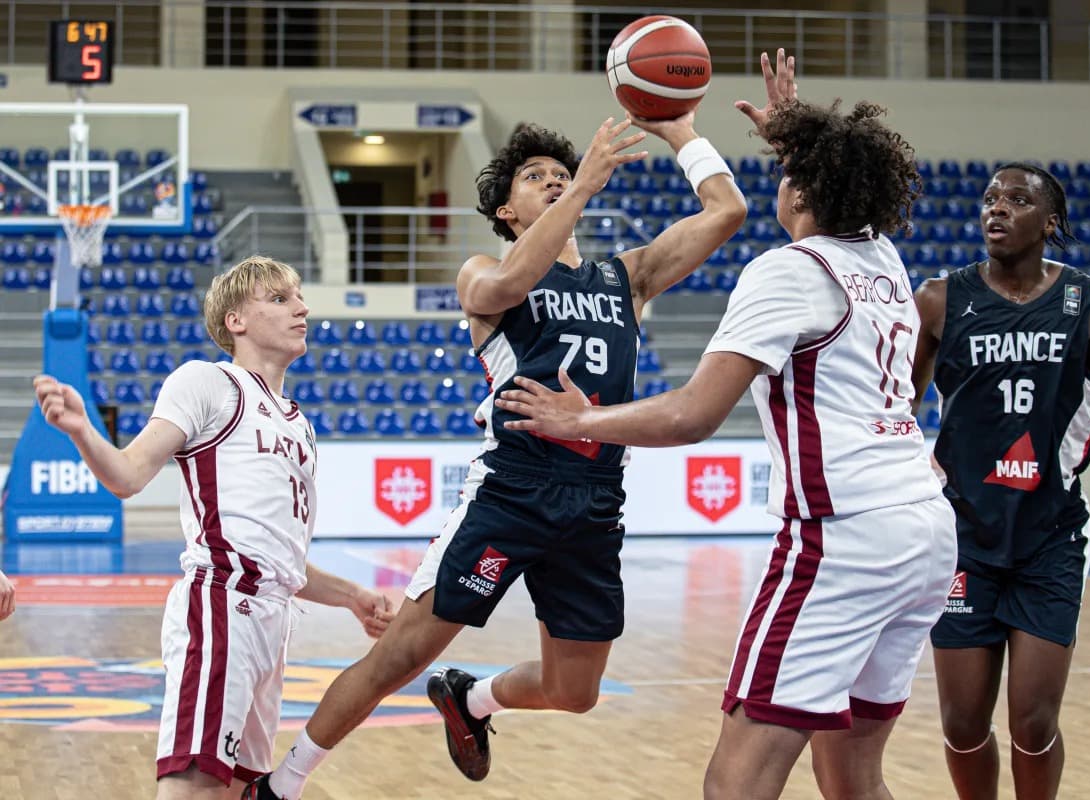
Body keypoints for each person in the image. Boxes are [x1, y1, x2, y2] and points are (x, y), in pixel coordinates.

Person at [494, 49, 957, 800]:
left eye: (789, 172)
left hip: (845, 536)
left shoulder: (787, 272)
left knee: (734, 782)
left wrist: (582, 418)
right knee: (852, 772)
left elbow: (690, 416)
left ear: (801, 187)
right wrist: (790, 141)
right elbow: (834, 193)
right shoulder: (885, 258)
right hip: (927, 533)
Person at [243, 113, 745, 800]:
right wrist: (585, 185)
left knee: (575, 692)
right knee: (402, 654)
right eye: (536, 178)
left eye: (562, 175)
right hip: (512, 491)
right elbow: (505, 289)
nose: (555, 182)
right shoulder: (483, 271)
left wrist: (681, 130)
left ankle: (471, 699)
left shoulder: (624, 277)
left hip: (596, 500)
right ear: (507, 210)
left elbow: (728, 209)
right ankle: (282, 785)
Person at [34, 255, 394, 800]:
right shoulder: (209, 383)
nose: (301, 308)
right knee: (193, 788)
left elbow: (283, 562)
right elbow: (129, 476)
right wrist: (83, 431)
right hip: (222, 605)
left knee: (234, 791)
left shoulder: (300, 423)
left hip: (274, 620)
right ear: (236, 321)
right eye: (279, 299)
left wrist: (352, 596)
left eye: (298, 296)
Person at [910, 164, 1090, 799]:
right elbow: (895, 409)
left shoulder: (1089, 301)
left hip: (1049, 536)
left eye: (1017, 200)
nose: (995, 209)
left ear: (1049, 221)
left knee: (1033, 722)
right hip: (964, 537)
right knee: (961, 722)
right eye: (989, 199)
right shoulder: (940, 300)